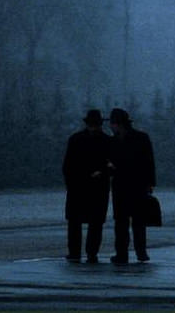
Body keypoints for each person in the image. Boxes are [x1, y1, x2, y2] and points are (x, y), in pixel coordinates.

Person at [62, 109, 112, 263]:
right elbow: (68, 165)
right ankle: (83, 252)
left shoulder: (76, 139)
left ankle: (85, 252)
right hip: (89, 186)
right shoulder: (106, 141)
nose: (94, 127)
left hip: (83, 186)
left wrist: (73, 181)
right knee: (84, 222)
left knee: (89, 222)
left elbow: (68, 165)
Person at [108, 107, 156, 264]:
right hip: (132, 184)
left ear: (118, 124)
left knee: (129, 221)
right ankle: (136, 252)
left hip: (129, 184)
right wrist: (150, 182)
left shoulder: (116, 141)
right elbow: (149, 162)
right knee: (132, 221)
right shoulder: (140, 138)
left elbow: (148, 161)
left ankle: (126, 253)